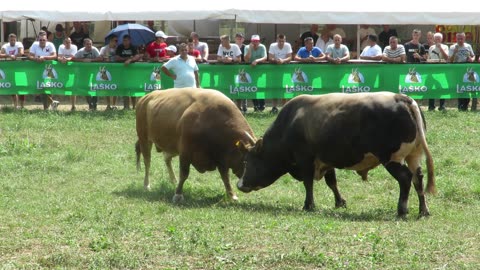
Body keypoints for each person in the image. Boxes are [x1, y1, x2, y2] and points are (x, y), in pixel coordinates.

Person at [28, 30, 59, 110]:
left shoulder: (50, 45)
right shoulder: (35, 44)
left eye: (43, 40)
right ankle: (51, 104)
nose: (42, 41)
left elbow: (55, 56)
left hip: (48, 68)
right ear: (38, 39)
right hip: (37, 68)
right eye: (40, 40)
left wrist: (44, 58)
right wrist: (35, 59)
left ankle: (47, 107)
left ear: (46, 40)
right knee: (41, 87)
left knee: (48, 87)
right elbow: (30, 56)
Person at [72, 38, 102, 110]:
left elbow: (100, 58)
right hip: (84, 72)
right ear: (84, 45)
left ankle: (95, 105)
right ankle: (90, 104)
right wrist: (83, 60)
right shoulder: (81, 51)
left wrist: (91, 60)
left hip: (94, 72)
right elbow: (73, 58)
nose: (89, 45)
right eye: (87, 44)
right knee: (85, 87)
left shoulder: (94, 49)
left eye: (90, 44)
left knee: (95, 87)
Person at [449, 32, 475, 111]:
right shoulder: (452, 47)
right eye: (458, 39)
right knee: (460, 88)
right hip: (457, 70)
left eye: (462, 38)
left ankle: (466, 106)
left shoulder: (468, 46)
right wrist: (455, 52)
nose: (460, 40)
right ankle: (460, 106)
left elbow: (473, 56)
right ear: (456, 39)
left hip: (467, 70)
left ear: (464, 38)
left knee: (467, 87)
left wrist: (472, 59)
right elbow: (450, 60)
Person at [116, 35, 142, 109]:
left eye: (126, 40)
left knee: (133, 88)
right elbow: (117, 57)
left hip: (132, 72)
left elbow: (137, 56)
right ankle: (126, 106)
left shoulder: (133, 47)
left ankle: (134, 106)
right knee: (125, 88)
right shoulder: (120, 47)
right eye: (124, 40)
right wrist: (127, 58)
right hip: (123, 71)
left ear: (129, 41)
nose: (125, 42)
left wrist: (130, 60)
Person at [269, 33, 292, 114]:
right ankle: (274, 107)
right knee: (275, 88)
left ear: (285, 40)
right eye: (280, 41)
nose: (281, 43)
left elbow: (290, 57)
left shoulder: (288, 45)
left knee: (285, 88)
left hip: (285, 70)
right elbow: (270, 58)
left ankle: (284, 107)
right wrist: (276, 61)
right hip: (275, 70)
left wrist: (283, 61)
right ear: (277, 40)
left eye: (283, 41)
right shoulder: (272, 46)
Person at [0, 33, 25, 109]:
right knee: (12, 86)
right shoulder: (5, 46)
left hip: (19, 68)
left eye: (14, 40)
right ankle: (15, 105)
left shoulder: (19, 44)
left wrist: (15, 56)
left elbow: (21, 52)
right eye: (11, 40)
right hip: (10, 69)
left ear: (16, 40)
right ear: (8, 40)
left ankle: (22, 106)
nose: (13, 41)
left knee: (22, 86)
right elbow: (0, 54)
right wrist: (8, 55)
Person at [245, 34, 267, 112]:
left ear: (259, 41)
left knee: (260, 87)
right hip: (251, 70)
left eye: (257, 41)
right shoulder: (247, 47)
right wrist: (250, 49)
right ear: (251, 41)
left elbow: (265, 57)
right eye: (254, 41)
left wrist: (256, 61)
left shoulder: (262, 47)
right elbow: (246, 60)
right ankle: (255, 105)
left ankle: (262, 105)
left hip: (260, 70)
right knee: (252, 87)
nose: (255, 43)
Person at [427, 32, 449, 111]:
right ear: (434, 39)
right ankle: (431, 106)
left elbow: (447, 58)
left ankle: (442, 106)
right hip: (432, 70)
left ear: (441, 39)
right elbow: (428, 59)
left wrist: (441, 49)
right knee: (431, 87)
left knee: (442, 87)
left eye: (439, 39)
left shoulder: (445, 46)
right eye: (436, 39)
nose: (437, 40)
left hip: (441, 70)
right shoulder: (431, 47)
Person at [58, 37, 78, 111]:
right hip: (62, 69)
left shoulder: (74, 47)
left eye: (69, 42)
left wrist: (66, 59)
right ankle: (57, 103)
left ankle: (73, 105)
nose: (68, 43)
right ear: (64, 43)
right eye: (66, 42)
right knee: (59, 84)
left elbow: (73, 57)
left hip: (72, 69)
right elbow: (58, 57)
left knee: (72, 86)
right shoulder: (61, 47)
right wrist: (62, 59)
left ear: (71, 42)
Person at [99, 37, 118, 110]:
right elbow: (100, 57)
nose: (116, 42)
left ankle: (114, 105)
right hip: (106, 70)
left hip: (116, 70)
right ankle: (108, 104)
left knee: (115, 86)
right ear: (110, 41)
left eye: (117, 41)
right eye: (115, 41)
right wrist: (105, 58)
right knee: (107, 87)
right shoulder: (104, 48)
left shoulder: (118, 48)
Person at [234, 32, 248, 113]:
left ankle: (244, 107)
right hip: (234, 70)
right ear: (235, 39)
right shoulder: (233, 46)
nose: (239, 39)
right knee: (234, 88)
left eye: (240, 38)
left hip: (244, 70)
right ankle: (236, 107)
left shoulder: (246, 47)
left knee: (243, 88)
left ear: (243, 39)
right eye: (237, 38)